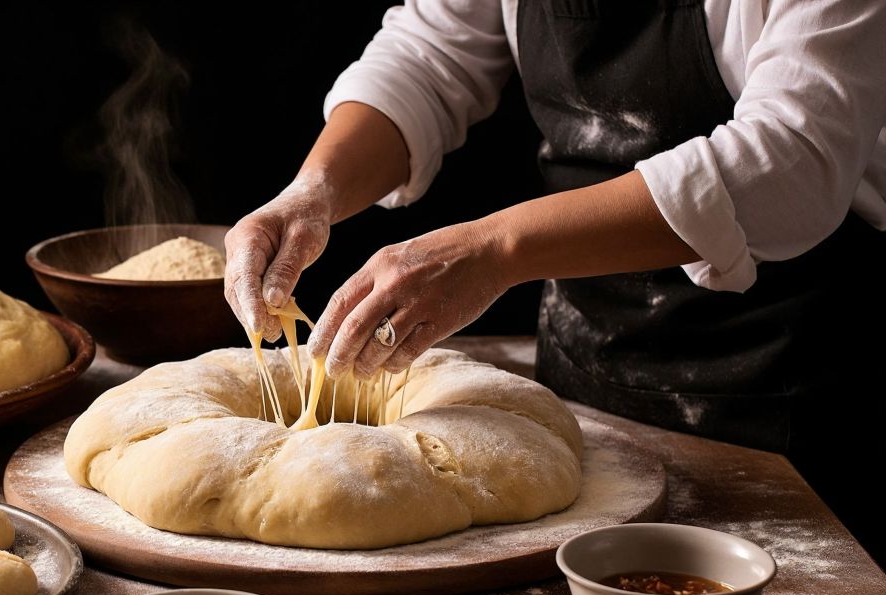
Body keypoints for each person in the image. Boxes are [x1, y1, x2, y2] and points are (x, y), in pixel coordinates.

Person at [223, 1, 885, 559]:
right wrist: (313, 192)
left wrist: (494, 250)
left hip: (789, 400)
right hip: (587, 391)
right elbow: (431, 55)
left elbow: (794, 156)